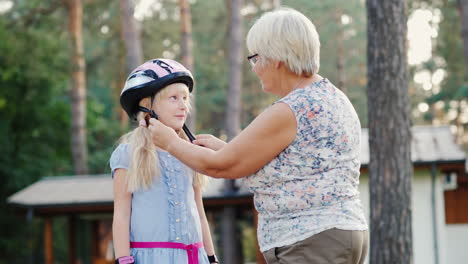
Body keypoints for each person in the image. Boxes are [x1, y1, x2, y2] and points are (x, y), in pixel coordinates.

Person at [146, 8, 368, 264]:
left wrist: (171, 142)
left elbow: (222, 166)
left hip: (310, 240)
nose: (254, 69)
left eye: (255, 58)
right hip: (340, 233)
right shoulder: (331, 97)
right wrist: (225, 148)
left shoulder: (292, 109)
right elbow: (292, 165)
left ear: (276, 58)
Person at [111, 58, 218, 264]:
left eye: (185, 98)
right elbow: (122, 213)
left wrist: (211, 257)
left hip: (194, 257)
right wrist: (123, 259)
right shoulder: (128, 153)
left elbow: (199, 210)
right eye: (174, 98)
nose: (183, 106)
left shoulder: (189, 152)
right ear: (146, 105)